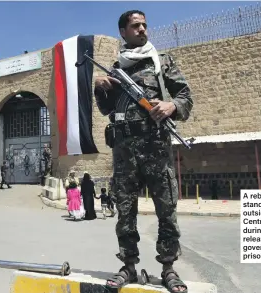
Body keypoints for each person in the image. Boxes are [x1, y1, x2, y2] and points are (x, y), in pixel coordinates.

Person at [94, 10, 193, 292]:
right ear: (123, 32)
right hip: (124, 152)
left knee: (166, 209)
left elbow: (185, 95)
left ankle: (169, 269)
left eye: (144, 25)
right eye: (135, 26)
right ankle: (128, 266)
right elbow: (107, 110)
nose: (142, 30)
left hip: (156, 148)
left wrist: (171, 106)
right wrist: (101, 88)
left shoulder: (162, 63)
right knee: (125, 212)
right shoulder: (116, 70)